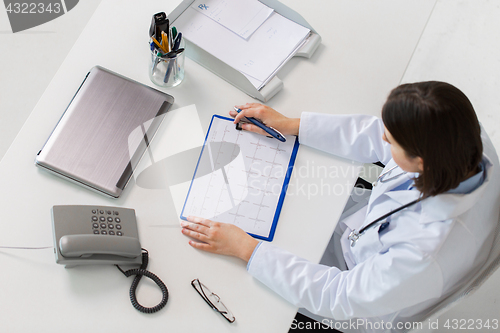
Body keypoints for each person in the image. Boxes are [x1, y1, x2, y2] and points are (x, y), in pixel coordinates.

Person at [180, 81, 500, 332]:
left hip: (359, 301)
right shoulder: (462, 139)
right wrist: (294, 125)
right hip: (364, 238)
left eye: (392, 141)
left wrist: (248, 250)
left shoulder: (423, 250)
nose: (383, 141)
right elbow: (376, 134)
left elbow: (341, 297)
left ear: (420, 161)